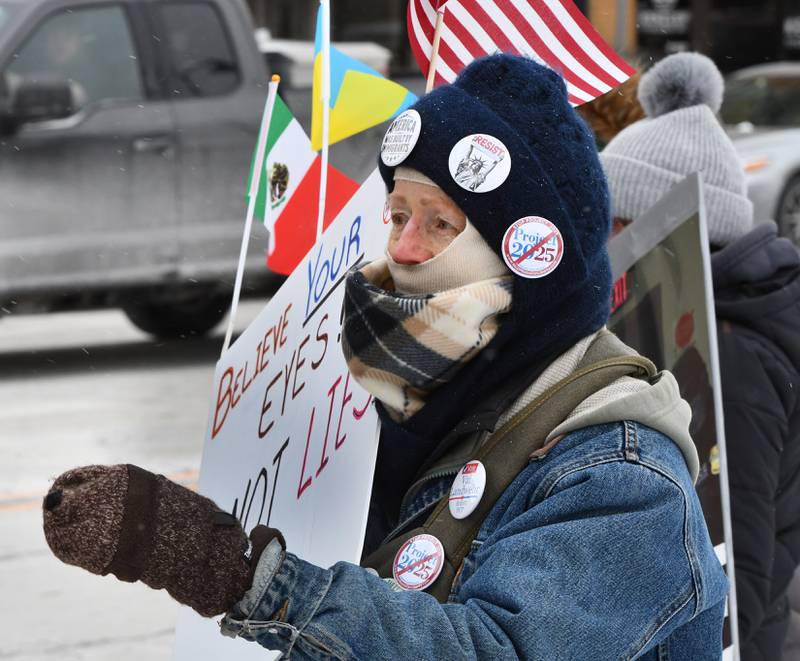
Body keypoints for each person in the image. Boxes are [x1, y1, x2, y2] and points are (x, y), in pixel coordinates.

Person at [42, 54, 728, 659]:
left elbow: (491, 650)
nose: (402, 249)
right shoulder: (407, 408)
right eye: (398, 214)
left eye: (441, 224)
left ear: (528, 262)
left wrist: (238, 570)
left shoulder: (619, 475)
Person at [600, 51, 800, 660]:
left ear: (654, 230)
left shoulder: (730, 356)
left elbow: (734, 555)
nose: (601, 238)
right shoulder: (679, 321)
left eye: (614, 221)